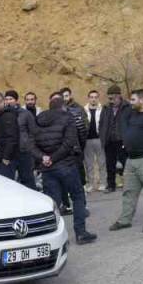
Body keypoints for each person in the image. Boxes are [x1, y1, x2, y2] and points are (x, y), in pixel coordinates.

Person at [30, 96, 97, 244]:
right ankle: (81, 233)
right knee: (78, 196)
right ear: (62, 107)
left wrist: (43, 158)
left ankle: (50, 237)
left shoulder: (38, 119)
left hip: (47, 168)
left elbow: (31, 143)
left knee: (53, 204)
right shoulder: (67, 118)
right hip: (65, 165)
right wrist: (53, 158)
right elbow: (69, 143)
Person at [109, 90, 143, 233]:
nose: (130, 102)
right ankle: (125, 220)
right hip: (131, 159)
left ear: (142, 99)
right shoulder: (132, 114)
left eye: (133, 100)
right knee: (128, 192)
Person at [6, 90, 38, 190]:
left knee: (28, 180)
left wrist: (29, 146)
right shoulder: (3, 114)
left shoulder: (25, 114)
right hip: (9, 153)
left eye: (10, 99)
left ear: (16, 100)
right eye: (6, 99)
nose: (8, 101)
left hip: (24, 152)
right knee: (9, 181)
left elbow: (33, 132)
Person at [99, 85, 128, 193]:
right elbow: (101, 123)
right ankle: (111, 185)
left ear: (119, 96)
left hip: (122, 140)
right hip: (109, 141)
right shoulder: (106, 108)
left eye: (113, 98)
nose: (111, 101)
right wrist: (103, 138)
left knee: (126, 163)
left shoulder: (127, 107)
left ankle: (128, 185)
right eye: (109, 98)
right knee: (110, 164)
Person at [0, 92, 20, 180]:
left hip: (5, 162)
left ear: (3, 102)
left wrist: (6, 158)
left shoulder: (8, 116)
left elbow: (12, 138)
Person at [83, 91, 105, 192]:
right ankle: (90, 184)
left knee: (102, 162)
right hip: (87, 140)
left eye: (95, 97)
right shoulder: (83, 110)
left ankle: (103, 183)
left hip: (99, 139)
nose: (93, 99)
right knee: (89, 163)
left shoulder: (103, 110)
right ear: (88, 98)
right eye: (91, 97)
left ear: (98, 98)